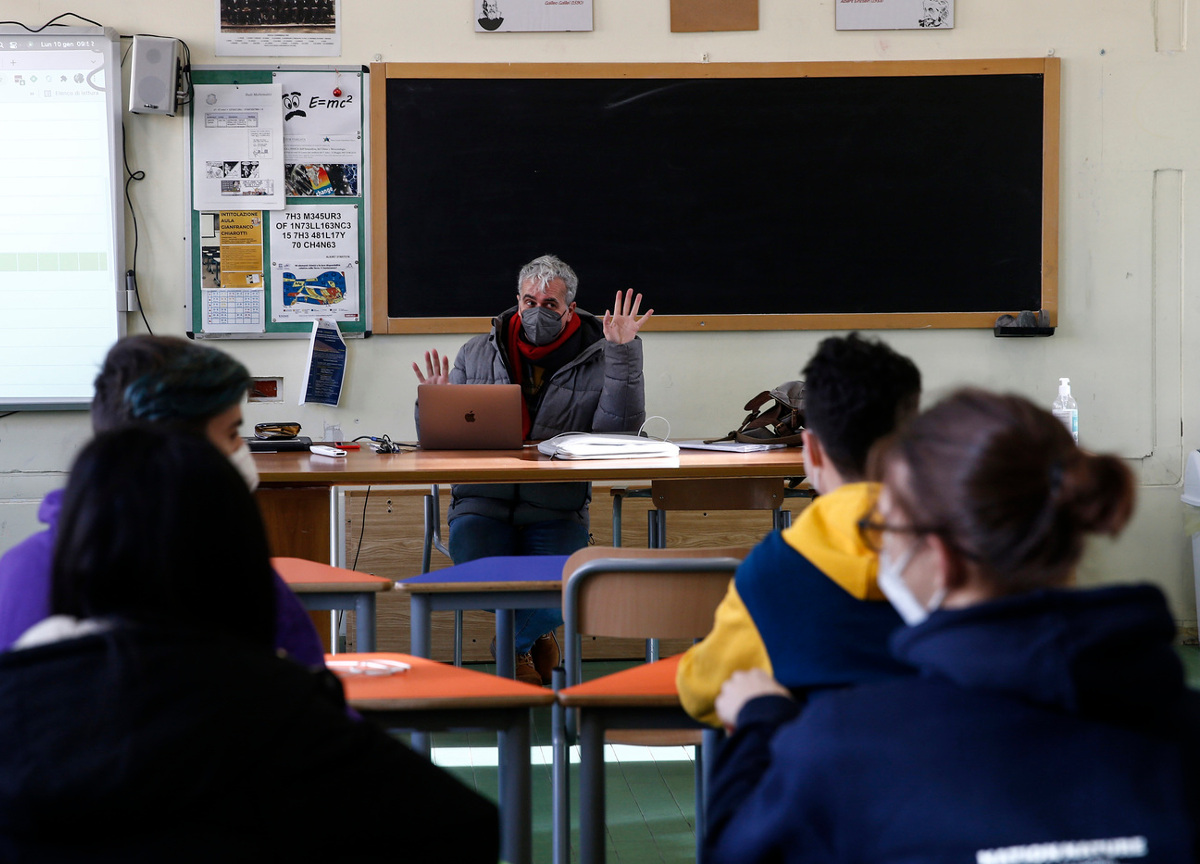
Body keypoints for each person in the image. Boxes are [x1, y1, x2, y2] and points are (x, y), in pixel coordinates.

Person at [704, 389, 1200, 864]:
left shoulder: (842, 745)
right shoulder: (1182, 731)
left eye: (886, 530)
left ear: (941, 559)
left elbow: (735, 851)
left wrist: (759, 725)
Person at [0, 427, 499, 860]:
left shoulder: (18, 693)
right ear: (236, 553)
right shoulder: (273, 703)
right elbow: (463, 826)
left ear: (73, 548)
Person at [0, 335, 326, 668]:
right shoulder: (231, 575)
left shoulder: (16, 572)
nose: (240, 452)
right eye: (231, 434)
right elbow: (311, 702)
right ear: (175, 450)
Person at [413, 254, 652, 684]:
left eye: (550, 304)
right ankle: (535, 636)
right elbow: (441, 445)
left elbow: (621, 435)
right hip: (480, 504)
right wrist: (433, 405)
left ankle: (513, 645)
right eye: (529, 301)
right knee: (478, 582)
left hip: (557, 507)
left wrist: (622, 354)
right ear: (516, 301)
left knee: (565, 590)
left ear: (570, 309)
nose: (536, 311)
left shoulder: (601, 354)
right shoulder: (476, 352)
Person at [676, 332, 921, 726]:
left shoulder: (775, 569)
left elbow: (702, 690)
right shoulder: (964, 551)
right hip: (946, 773)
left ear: (812, 451)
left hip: (819, 775)